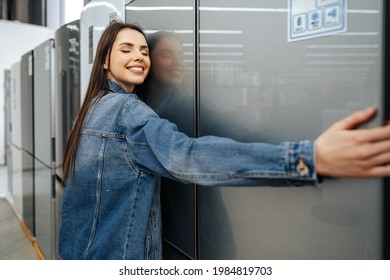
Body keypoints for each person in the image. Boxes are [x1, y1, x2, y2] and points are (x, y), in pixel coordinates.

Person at [58, 21, 390, 260]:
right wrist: (308, 158)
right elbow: (187, 156)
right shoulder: (130, 112)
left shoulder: (92, 108)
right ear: (104, 60)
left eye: (143, 50)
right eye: (126, 49)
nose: (139, 57)